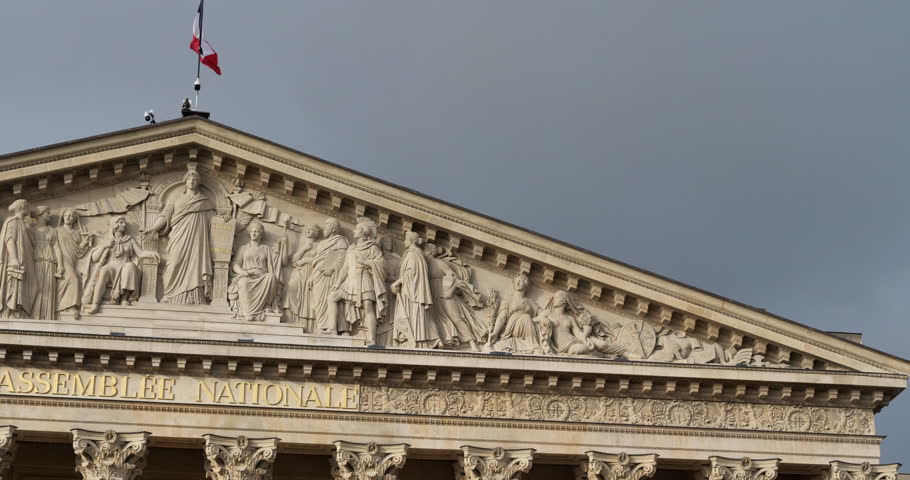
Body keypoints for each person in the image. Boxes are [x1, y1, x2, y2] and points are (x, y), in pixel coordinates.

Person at [141, 169, 214, 304]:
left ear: (198, 182)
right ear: (185, 181)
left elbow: (214, 221)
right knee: (173, 262)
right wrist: (153, 228)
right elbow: (165, 215)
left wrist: (226, 219)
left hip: (197, 239)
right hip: (178, 236)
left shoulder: (204, 201)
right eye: (189, 179)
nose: (192, 181)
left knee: (196, 265)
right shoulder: (176, 198)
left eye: (195, 179)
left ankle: (194, 297)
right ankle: (169, 294)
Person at [329, 217, 387, 345]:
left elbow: (382, 264)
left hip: (364, 280)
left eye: (356, 229)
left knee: (368, 307)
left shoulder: (372, 248)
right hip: (350, 281)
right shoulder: (351, 248)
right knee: (333, 297)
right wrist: (338, 283)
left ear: (363, 232)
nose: (354, 231)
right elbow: (345, 268)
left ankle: (372, 338)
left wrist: (367, 262)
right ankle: (332, 329)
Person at [228, 220, 286, 321]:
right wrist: (244, 273)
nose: (253, 233)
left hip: (262, 277)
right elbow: (235, 264)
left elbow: (275, 264)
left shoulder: (266, 249)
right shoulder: (243, 248)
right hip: (247, 275)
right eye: (252, 231)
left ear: (261, 234)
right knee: (243, 282)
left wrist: (283, 246)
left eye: (256, 231)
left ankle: (267, 305)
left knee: (271, 277)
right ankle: (248, 312)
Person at [537, 290, 625, 357]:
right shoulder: (548, 313)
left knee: (602, 344)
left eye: (557, 297)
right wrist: (541, 319)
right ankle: (604, 356)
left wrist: (586, 340)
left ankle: (625, 353)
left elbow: (578, 333)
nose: (553, 300)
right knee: (583, 348)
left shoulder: (569, 318)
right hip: (565, 347)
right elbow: (534, 319)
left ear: (564, 301)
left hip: (574, 341)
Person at [84, 216, 144, 313]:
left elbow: (140, 253)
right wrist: (104, 246)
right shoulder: (107, 240)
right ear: (114, 225)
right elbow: (95, 258)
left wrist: (150, 254)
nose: (124, 224)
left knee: (130, 266)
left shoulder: (129, 239)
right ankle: (95, 304)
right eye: (121, 222)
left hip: (124, 264)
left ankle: (124, 298)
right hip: (112, 266)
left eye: (124, 222)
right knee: (103, 271)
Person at [391, 232, 438, 348]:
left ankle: (417, 341)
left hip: (412, 293)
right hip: (410, 291)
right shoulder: (412, 254)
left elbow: (412, 272)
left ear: (411, 241)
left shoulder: (413, 254)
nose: (404, 242)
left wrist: (398, 282)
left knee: (413, 315)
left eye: (406, 239)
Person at [308, 217, 349, 334]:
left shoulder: (340, 240)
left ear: (333, 227)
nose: (324, 228)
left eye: (326, 225)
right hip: (318, 275)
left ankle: (336, 328)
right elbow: (316, 261)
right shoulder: (321, 243)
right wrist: (311, 276)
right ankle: (322, 326)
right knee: (318, 301)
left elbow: (344, 258)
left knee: (332, 300)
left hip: (332, 275)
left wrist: (332, 268)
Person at [486, 273, 542, 354]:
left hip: (526, 326)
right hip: (511, 329)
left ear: (526, 284)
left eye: (520, 281)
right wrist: (495, 332)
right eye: (516, 281)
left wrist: (541, 318)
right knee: (526, 317)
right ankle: (533, 345)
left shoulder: (530, 302)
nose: (517, 283)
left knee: (526, 317)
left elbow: (542, 312)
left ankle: (532, 344)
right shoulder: (507, 299)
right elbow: (502, 317)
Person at [0, 199, 36, 319]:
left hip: (27, 260)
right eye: (27, 206)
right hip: (18, 259)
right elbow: (9, 239)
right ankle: (12, 311)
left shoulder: (23, 224)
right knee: (16, 284)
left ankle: (22, 311)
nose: (29, 209)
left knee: (32, 286)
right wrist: (14, 258)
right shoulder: (13, 221)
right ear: (23, 207)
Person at [55, 208, 93, 319]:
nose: (67, 217)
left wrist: (85, 243)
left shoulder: (77, 233)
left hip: (72, 260)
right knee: (74, 279)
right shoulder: (57, 230)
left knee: (74, 280)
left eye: (71, 216)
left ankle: (64, 307)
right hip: (60, 259)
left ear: (75, 219)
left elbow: (78, 252)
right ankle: (69, 307)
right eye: (66, 215)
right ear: (62, 216)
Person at [283, 224, 320, 330]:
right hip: (300, 271)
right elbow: (294, 259)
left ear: (316, 233)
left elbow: (320, 261)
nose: (308, 230)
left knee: (310, 297)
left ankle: (309, 325)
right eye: (308, 228)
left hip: (312, 273)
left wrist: (305, 260)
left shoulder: (319, 245)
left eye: (311, 228)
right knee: (291, 286)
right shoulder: (303, 244)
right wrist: (304, 249)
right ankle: (291, 317)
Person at [31, 206, 64, 320]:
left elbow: (57, 248)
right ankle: (33, 315)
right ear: (40, 214)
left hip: (50, 263)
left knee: (49, 289)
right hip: (35, 263)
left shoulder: (52, 231)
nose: (50, 215)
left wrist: (61, 265)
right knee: (35, 289)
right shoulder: (30, 228)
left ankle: (47, 316)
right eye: (47, 213)